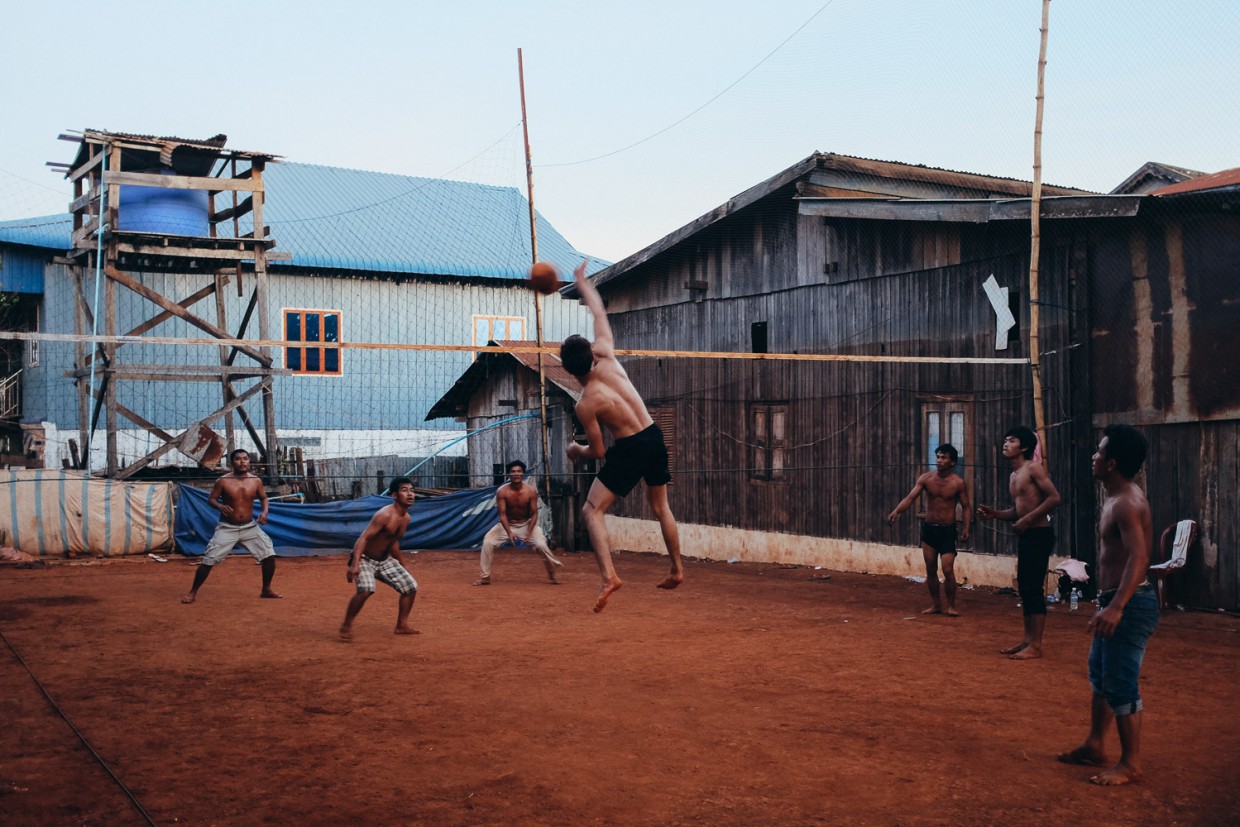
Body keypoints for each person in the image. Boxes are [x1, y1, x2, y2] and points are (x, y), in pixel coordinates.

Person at [561, 260, 684, 612]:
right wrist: (583, 283)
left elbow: (599, 452)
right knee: (661, 507)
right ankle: (676, 569)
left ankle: (609, 576)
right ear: (591, 353)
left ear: (569, 371)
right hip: (654, 435)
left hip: (629, 446)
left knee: (591, 510)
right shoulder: (608, 357)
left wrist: (575, 448)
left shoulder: (585, 404)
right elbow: (598, 309)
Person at [1057, 424, 1158, 786]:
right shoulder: (1116, 497)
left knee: (1120, 682)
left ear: (1111, 463)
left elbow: (1139, 557)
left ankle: (1130, 763)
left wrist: (1116, 606)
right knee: (1100, 674)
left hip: (1130, 604)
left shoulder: (1127, 503)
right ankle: (1095, 745)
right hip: (1115, 600)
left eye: (1099, 452)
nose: (1093, 457)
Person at [977, 425, 1062, 659]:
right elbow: (1018, 510)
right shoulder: (1014, 475)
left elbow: (1055, 498)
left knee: (1033, 588)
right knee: (1025, 588)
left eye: (1011, 440)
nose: (1006, 444)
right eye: (1005, 440)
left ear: (1024, 447)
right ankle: (1027, 640)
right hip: (1027, 535)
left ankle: (1036, 645)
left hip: (1039, 535)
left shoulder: (1033, 468)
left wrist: (1027, 519)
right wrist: (995, 513)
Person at [181, 449, 281, 604]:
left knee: (269, 555)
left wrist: (265, 512)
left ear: (249, 461)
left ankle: (266, 589)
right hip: (227, 527)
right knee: (209, 559)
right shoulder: (223, 481)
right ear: (232, 462)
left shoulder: (256, 480)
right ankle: (192, 591)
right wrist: (220, 507)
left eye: (245, 459)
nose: (242, 462)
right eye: (238, 459)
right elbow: (211, 499)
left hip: (250, 527)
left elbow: (263, 498)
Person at [888, 443, 971, 616]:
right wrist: (897, 511)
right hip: (930, 529)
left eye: (944, 458)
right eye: (938, 457)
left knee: (948, 569)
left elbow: (966, 506)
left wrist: (966, 528)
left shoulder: (958, 483)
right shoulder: (926, 478)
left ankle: (951, 605)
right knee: (931, 568)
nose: (939, 460)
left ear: (953, 462)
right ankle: (936, 604)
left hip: (948, 530)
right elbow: (910, 498)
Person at [339, 477, 420, 641]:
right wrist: (354, 565)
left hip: (384, 560)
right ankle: (346, 625)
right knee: (366, 589)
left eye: (412, 490)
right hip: (364, 558)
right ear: (395, 495)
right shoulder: (384, 515)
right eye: (405, 490)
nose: (410, 494)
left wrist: (402, 564)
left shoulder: (406, 519)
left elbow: (393, 541)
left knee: (410, 586)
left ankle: (401, 625)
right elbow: (363, 539)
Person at [474, 460, 563, 586]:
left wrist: (529, 531)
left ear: (523, 474)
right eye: (513, 472)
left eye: (519, 471)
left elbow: (534, 514)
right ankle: (485, 577)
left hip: (526, 524)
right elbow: (502, 515)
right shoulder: (502, 491)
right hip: (506, 525)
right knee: (488, 542)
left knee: (541, 544)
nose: (516, 474)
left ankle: (552, 574)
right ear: (509, 475)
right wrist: (509, 533)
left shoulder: (530, 491)